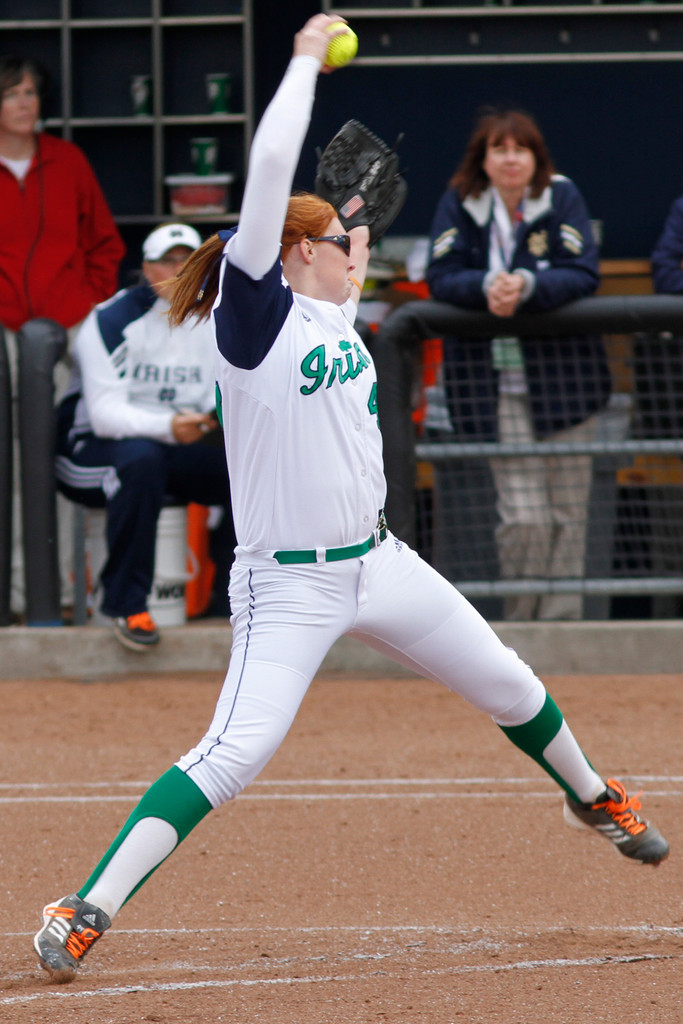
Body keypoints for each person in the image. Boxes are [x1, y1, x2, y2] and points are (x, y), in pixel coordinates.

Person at [32, 14, 668, 986]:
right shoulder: (251, 320)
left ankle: (592, 795)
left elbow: (340, 246)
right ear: (292, 255)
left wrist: (346, 224)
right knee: (233, 752)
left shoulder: (329, 298)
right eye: (337, 242)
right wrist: (296, 64)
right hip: (286, 587)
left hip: (376, 562)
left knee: (506, 680)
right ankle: (88, 907)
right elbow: (269, 183)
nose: (355, 249)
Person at [426, 109, 612, 621]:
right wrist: (488, 285)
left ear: (536, 157)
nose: (510, 159)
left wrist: (527, 285)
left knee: (568, 514)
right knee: (525, 517)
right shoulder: (460, 201)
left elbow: (584, 271)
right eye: (499, 149)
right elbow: (440, 276)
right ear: (482, 159)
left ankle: (562, 624)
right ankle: (523, 623)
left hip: (565, 384)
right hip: (494, 387)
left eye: (520, 149)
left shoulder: (562, 195)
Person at [54, 222, 235, 650]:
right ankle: (125, 606)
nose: (178, 270)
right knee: (140, 461)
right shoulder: (111, 318)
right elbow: (104, 417)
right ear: (147, 268)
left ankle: (234, 600)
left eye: (188, 261)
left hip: (176, 443)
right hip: (88, 452)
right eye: (167, 261)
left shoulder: (218, 316)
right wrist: (169, 426)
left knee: (249, 468)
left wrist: (209, 421)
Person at [0, 53, 125, 617]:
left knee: (71, 456)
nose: (25, 103)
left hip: (69, 332)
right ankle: (24, 597)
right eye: (12, 94)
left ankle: (76, 594)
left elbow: (104, 243)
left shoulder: (67, 160)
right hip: (5, 337)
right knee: (14, 467)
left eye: (30, 93)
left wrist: (88, 306)